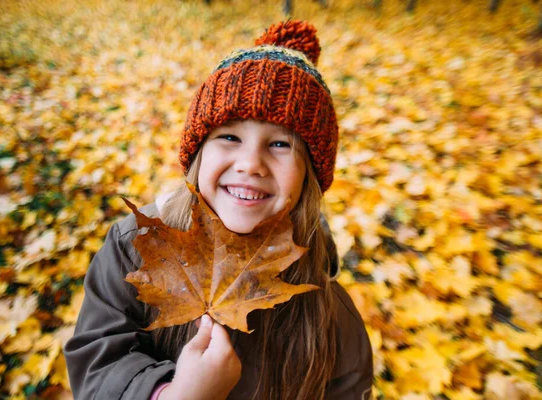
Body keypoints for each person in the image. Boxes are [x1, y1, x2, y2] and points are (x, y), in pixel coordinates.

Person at [64, 20, 373, 400]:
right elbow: (97, 360)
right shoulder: (136, 250)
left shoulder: (327, 310)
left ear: (309, 173)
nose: (250, 164)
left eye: (279, 144)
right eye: (229, 137)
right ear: (198, 153)